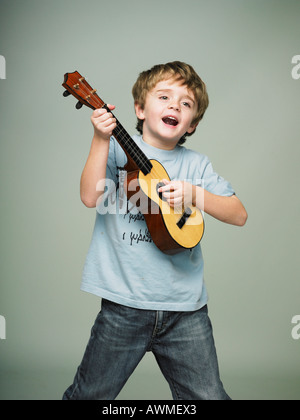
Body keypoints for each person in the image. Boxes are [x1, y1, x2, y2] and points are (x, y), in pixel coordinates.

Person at [63, 61, 247, 400]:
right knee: (90, 395)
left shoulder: (196, 165)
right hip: (123, 307)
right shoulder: (117, 151)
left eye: (186, 103)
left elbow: (238, 215)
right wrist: (100, 138)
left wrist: (194, 193)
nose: (175, 105)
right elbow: (90, 196)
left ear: (191, 124)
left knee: (209, 396)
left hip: (186, 312)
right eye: (164, 97)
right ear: (140, 108)